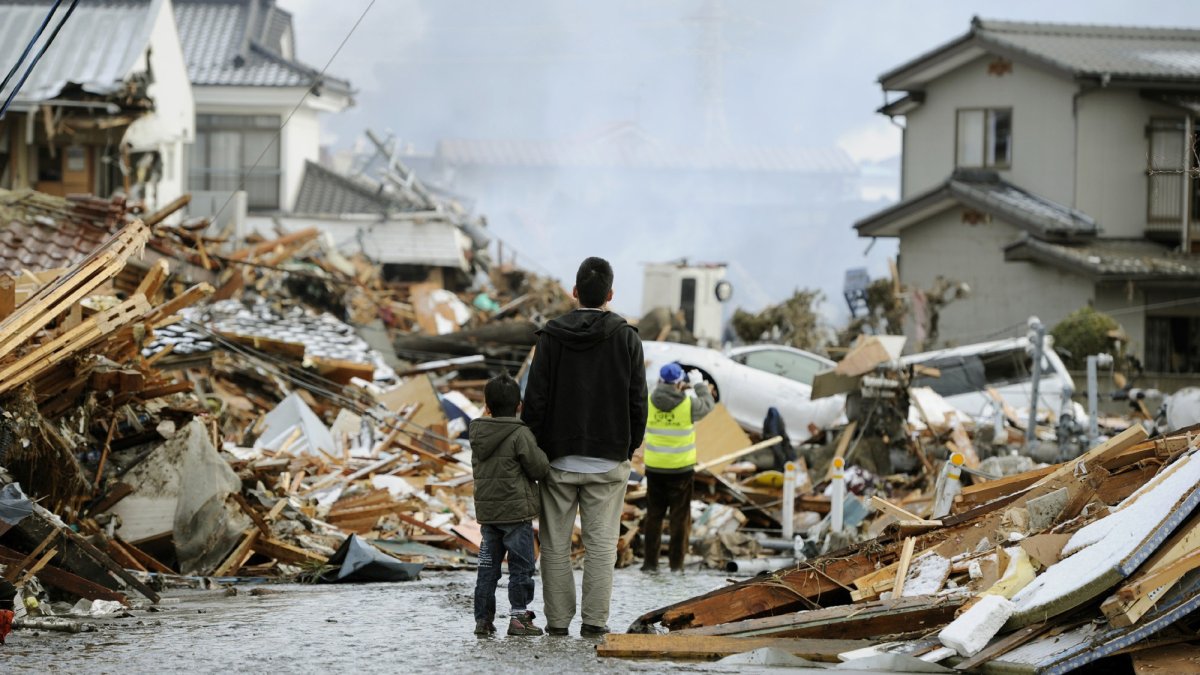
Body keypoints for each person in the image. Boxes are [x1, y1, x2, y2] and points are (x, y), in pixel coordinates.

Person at [522, 256, 646, 637]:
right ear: (610, 294)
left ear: (575, 292)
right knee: (602, 547)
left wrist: (537, 450)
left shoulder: (551, 338)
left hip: (558, 460)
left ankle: (557, 622)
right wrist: (629, 447)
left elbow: (536, 400)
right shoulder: (627, 337)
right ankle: (595, 623)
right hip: (608, 460)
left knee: (556, 546)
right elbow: (637, 400)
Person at [471, 373, 550, 637]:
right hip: (516, 516)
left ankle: (482, 620)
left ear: (488, 406)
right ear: (519, 406)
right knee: (521, 568)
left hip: (488, 516)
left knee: (487, 569)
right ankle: (518, 618)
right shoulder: (520, 434)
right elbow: (538, 468)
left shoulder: (478, 433)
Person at [641, 363, 715, 572]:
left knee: (654, 516)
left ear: (660, 381)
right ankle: (676, 565)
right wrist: (699, 385)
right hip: (681, 471)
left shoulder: (648, 402)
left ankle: (650, 564)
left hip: (655, 468)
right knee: (679, 519)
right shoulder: (689, 404)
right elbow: (708, 405)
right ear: (679, 383)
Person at [762, 406, 794, 472]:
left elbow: (779, 432)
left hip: (779, 441)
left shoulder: (773, 420)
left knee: (782, 455)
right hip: (776, 441)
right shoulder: (776, 419)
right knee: (780, 456)